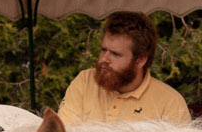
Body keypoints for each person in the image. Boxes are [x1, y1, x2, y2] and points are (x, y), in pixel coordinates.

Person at [58, 11, 190, 126]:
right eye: (103, 50)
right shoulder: (85, 81)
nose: (104, 59)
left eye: (115, 54)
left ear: (140, 60)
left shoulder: (170, 104)